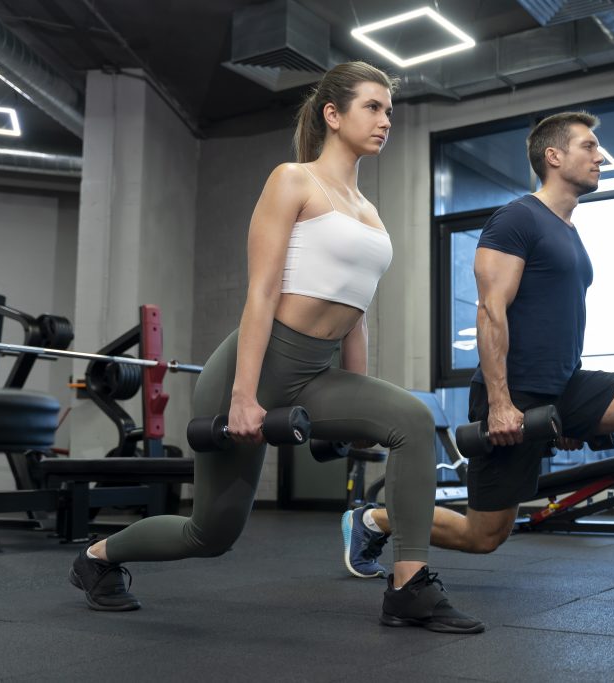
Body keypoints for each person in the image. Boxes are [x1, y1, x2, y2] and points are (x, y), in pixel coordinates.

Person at [67, 61, 485, 633]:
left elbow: (356, 315)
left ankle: (409, 587)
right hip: (251, 370)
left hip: (315, 373)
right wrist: (243, 396)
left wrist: (360, 405)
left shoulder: (369, 212)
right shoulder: (293, 180)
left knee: (410, 420)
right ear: (332, 115)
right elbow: (261, 294)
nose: (386, 120)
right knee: (210, 535)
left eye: (389, 109)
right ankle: (97, 558)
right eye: (372, 107)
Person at [343, 111, 614, 594]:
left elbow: (557, 322)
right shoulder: (517, 218)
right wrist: (501, 402)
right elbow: (490, 311)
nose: (599, 157)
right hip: (514, 392)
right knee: (484, 535)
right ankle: (374, 519)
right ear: (554, 156)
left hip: (563, 386)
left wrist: (572, 419)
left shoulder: (568, 231)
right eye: (588, 146)